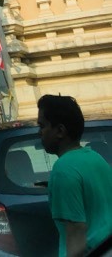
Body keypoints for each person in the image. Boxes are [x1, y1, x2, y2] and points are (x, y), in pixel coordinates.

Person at [37, 95, 112, 257]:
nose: (39, 132)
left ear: (60, 131)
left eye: (42, 126)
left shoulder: (63, 170)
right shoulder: (95, 158)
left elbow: (76, 231)